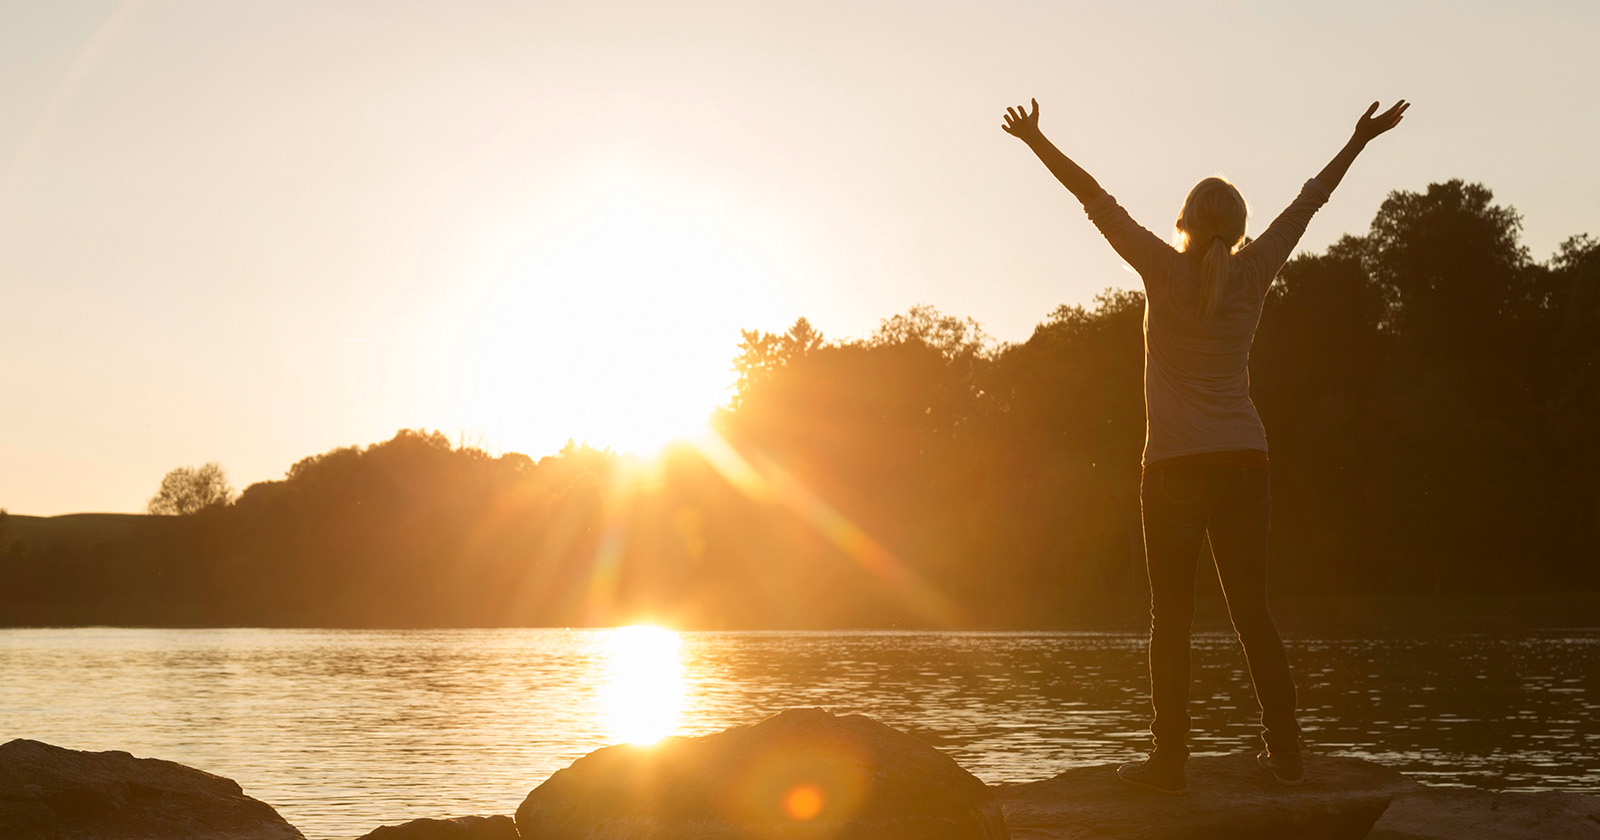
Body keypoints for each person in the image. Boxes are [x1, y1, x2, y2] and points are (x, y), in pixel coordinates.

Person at [1002, 97, 1408, 793]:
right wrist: (1359, 138)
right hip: (1245, 461)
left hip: (1173, 469)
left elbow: (1094, 198)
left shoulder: (1162, 268)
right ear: (1242, 229)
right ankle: (1286, 756)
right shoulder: (1255, 270)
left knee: (1172, 619)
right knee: (1253, 613)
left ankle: (1168, 764)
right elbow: (1311, 200)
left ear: (1184, 223)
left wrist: (1036, 140)